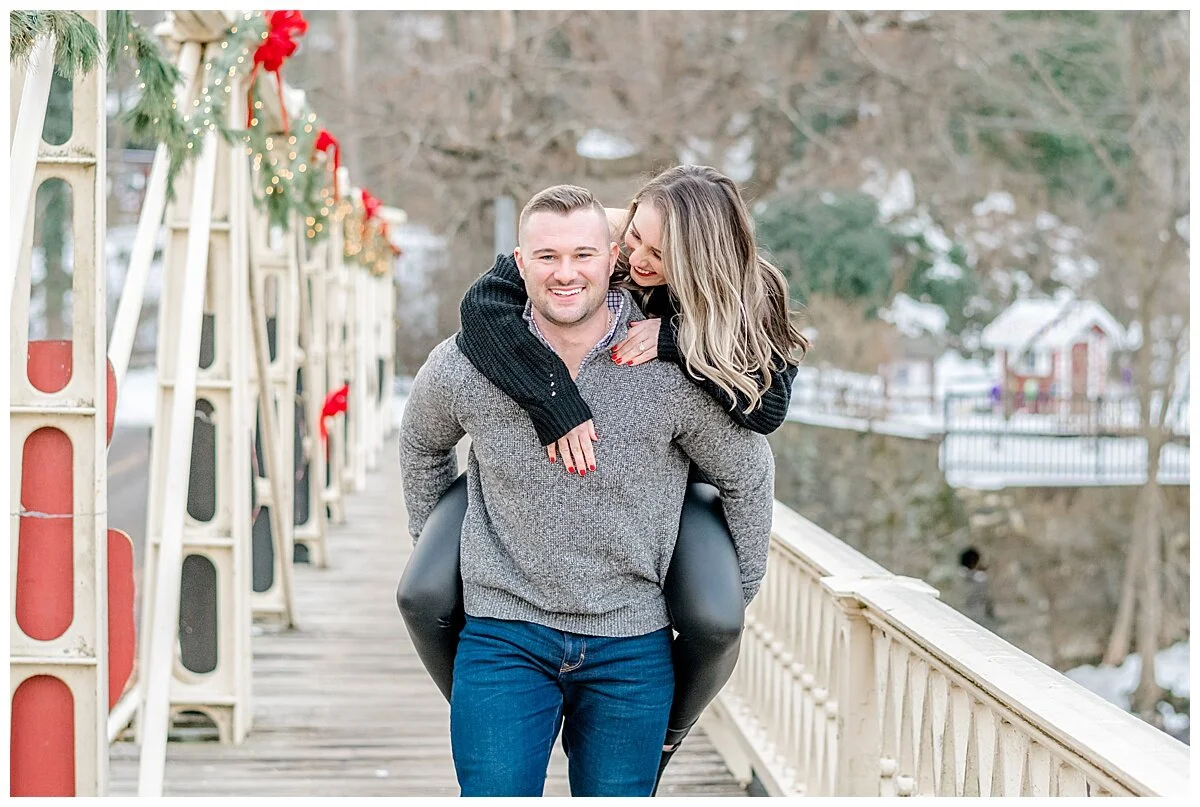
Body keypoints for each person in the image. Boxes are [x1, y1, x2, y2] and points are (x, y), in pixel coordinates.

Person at [397, 165, 809, 790]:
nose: (638, 259)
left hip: (634, 617)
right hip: (505, 628)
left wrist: (678, 341)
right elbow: (438, 403)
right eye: (635, 239)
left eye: (656, 254)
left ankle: (669, 727)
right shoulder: (487, 344)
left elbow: (757, 446)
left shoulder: (719, 329)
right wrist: (439, 543)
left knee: (709, 635)